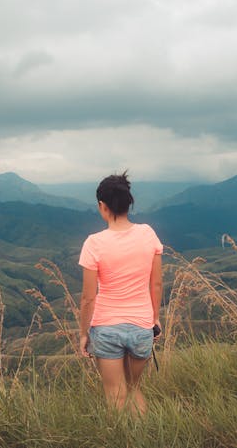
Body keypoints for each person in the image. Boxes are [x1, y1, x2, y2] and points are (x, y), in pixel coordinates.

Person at [78, 172, 163, 414]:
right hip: (141, 326)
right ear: (129, 204)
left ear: (102, 206)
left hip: (105, 328)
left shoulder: (94, 243)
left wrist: (83, 334)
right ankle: (143, 438)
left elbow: (88, 297)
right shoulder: (148, 234)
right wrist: (154, 319)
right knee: (134, 389)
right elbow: (156, 284)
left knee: (115, 395)